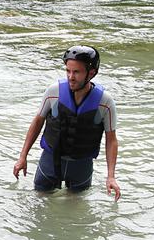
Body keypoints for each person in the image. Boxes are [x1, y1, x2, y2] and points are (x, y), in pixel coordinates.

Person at [12, 45, 121, 200]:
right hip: (49, 163)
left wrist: (111, 177)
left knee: (75, 217)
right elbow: (37, 122)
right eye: (68, 71)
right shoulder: (53, 92)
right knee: (39, 210)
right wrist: (23, 157)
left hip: (80, 168)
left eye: (76, 72)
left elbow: (111, 140)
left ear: (91, 73)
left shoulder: (105, 102)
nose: (71, 77)